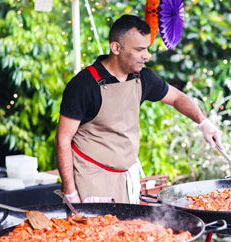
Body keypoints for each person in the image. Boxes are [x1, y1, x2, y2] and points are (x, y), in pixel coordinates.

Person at [55, 14, 222, 204]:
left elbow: (177, 98)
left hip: (127, 178)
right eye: (140, 49)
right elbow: (63, 140)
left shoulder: (142, 78)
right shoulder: (83, 85)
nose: (147, 56)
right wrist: (70, 193)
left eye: (147, 49)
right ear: (116, 48)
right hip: (90, 180)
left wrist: (203, 123)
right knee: (96, 234)